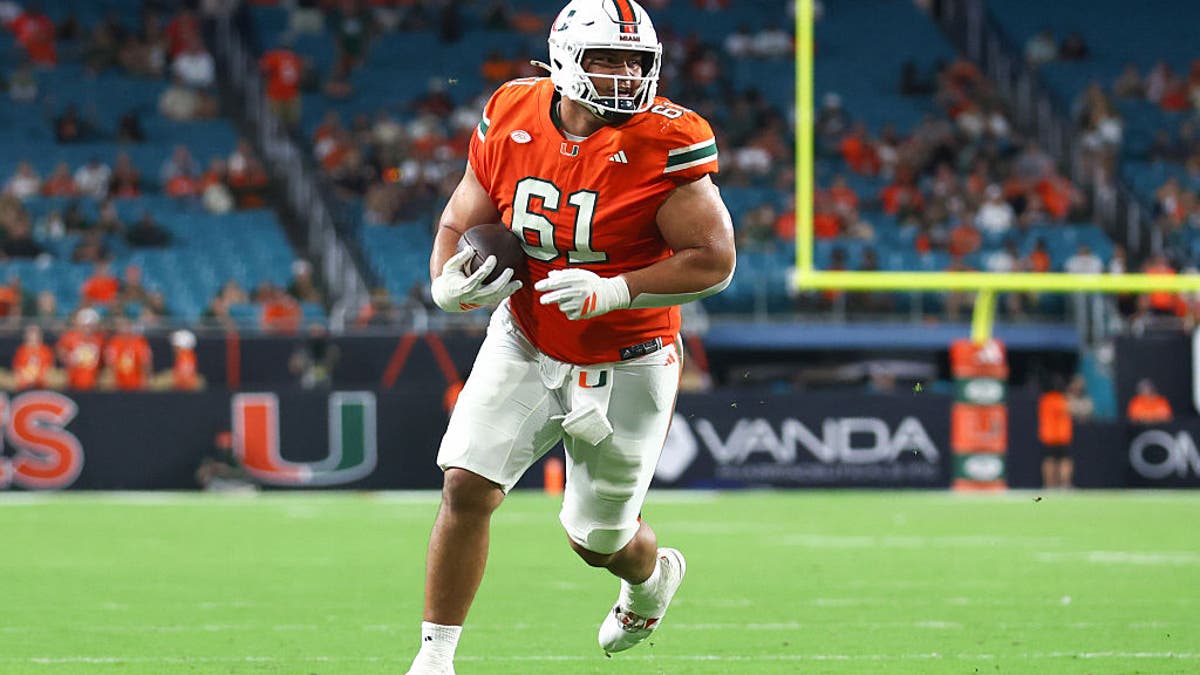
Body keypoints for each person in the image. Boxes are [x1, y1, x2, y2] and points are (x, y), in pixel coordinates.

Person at [406, 1, 736, 672]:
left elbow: (714, 259)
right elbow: (460, 216)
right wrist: (444, 281)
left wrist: (617, 288)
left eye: (634, 62)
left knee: (595, 538)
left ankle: (649, 579)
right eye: (605, 59)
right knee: (466, 484)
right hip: (525, 336)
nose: (622, 76)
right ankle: (435, 659)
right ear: (562, 59)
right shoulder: (511, 112)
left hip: (628, 358)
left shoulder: (666, 141)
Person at [1038, 376, 1073, 489]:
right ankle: (1064, 485)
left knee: (1049, 460)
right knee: (1064, 461)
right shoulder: (1061, 400)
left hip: (1048, 435)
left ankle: (1049, 485)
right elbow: (1070, 410)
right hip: (1061, 436)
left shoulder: (1044, 400)